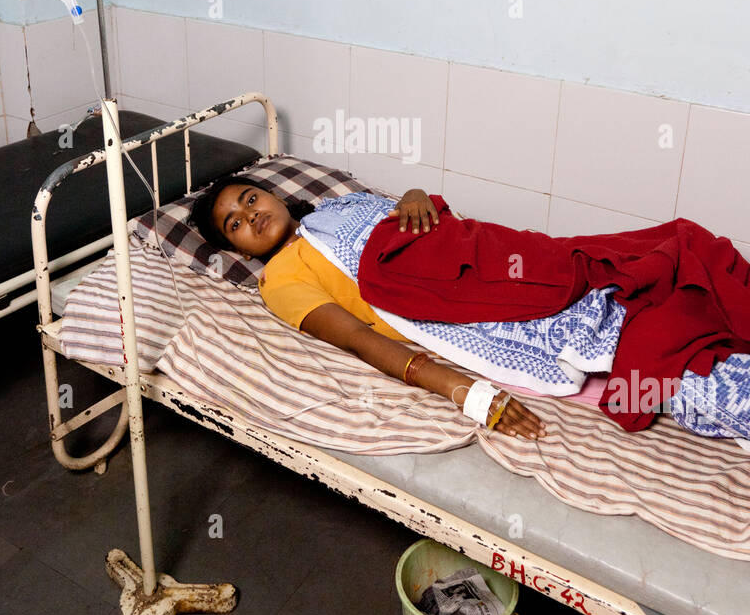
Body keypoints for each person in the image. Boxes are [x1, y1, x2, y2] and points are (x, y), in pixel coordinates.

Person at [189, 175, 545, 440]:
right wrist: (469, 393)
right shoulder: (280, 278)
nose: (251, 216)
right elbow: (356, 338)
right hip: (459, 301)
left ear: (275, 196)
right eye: (235, 224)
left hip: (482, 253)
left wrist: (415, 196)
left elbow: (406, 219)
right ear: (242, 252)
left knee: (577, 265)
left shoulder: (335, 208)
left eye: (250, 200)